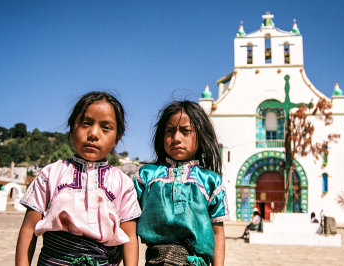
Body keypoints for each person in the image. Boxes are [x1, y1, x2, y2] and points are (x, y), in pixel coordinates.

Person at [15, 91, 141, 266]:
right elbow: (29, 229)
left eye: (106, 127)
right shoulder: (51, 174)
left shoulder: (123, 184)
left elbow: (129, 238)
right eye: (85, 123)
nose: (94, 134)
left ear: (117, 138)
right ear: (72, 127)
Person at [133, 101, 229, 266]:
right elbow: (129, 226)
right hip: (155, 259)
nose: (176, 138)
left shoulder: (211, 181)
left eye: (186, 131)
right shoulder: (146, 176)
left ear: (201, 134)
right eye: (170, 131)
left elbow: (218, 234)